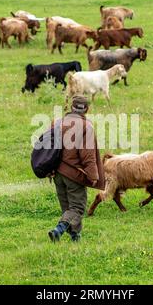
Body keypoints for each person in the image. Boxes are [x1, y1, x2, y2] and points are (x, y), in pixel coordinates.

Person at [49, 96, 105, 242]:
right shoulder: (86, 126)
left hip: (57, 173)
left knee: (67, 208)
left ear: (70, 107)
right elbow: (88, 155)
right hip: (74, 174)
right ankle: (58, 230)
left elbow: (48, 149)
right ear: (86, 109)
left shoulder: (56, 123)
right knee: (77, 208)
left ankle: (75, 238)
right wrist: (93, 175)